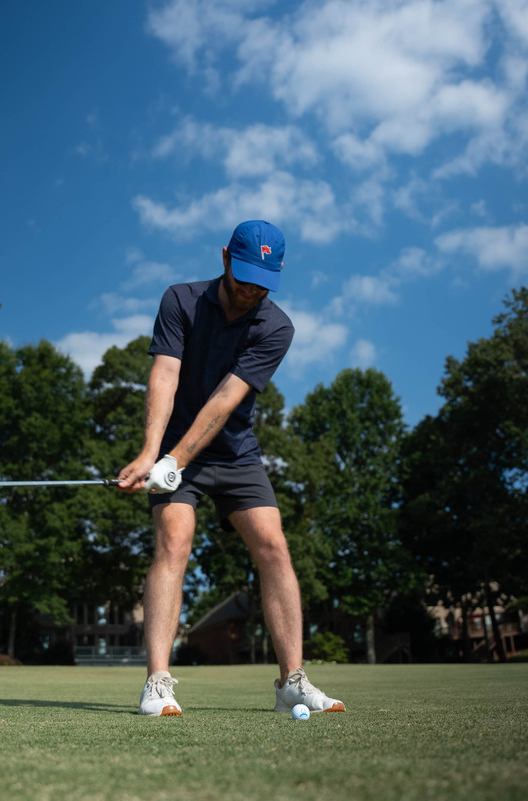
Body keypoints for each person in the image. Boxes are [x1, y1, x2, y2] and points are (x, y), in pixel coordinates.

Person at [118, 220, 345, 717]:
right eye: (243, 276)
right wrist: (152, 452)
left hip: (236, 451)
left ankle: (292, 681)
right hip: (176, 447)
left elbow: (227, 398)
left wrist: (174, 459)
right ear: (224, 258)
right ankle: (157, 683)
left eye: (263, 281)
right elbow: (165, 374)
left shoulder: (276, 326)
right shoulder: (180, 300)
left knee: (273, 546)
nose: (250, 290)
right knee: (173, 542)